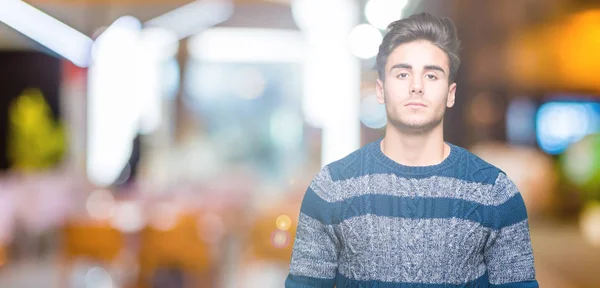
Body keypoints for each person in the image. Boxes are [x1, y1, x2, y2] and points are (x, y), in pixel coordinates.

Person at [285, 12, 538, 287]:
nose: (416, 87)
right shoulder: (331, 188)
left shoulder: (495, 193)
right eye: (403, 74)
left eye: (431, 75)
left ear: (451, 93)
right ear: (381, 90)